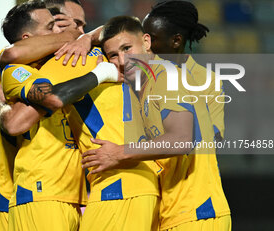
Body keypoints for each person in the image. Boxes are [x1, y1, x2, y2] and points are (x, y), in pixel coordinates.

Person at [0, 0, 160, 231]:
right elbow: (15, 121)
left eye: (82, 25)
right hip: (37, 191)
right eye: (58, 26)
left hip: (83, 192)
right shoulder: (22, 69)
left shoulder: (91, 57)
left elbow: (120, 30)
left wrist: (85, 38)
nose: (77, 31)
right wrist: (96, 67)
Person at [82, 15, 231, 231]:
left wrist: (118, 153)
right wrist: (86, 39)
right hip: (173, 214)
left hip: (196, 213)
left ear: (146, 42)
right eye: (113, 55)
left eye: (127, 48)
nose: (123, 61)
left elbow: (180, 140)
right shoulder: (145, 84)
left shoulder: (166, 77)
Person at [0, 0, 61, 231]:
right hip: (18, 194)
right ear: (27, 38)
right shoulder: (14, 67)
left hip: (60, 193)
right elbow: (16, 123)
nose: (59, 32)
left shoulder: (54, 66)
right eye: (51, 27)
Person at [142, 0, 225, 141]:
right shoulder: (141, 71)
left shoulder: (207, 80)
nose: (145, 44)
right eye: (142, 37)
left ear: (176, 41)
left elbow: (214, 137)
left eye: (152, 38)